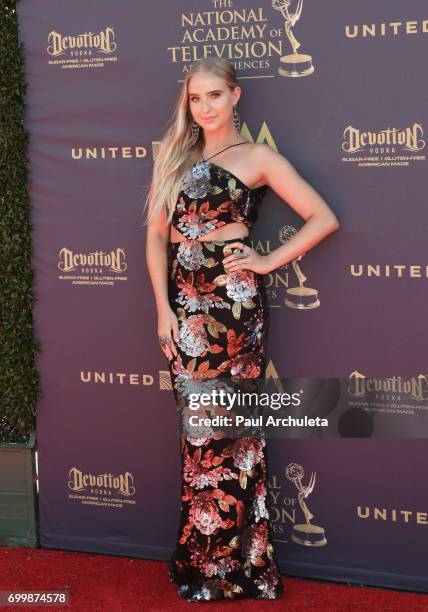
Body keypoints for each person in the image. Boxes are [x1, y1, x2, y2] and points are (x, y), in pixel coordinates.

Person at [144, 57, 339, 602]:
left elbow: (323, 217)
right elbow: (157, 239)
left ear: (236, 97)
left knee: (233, 436)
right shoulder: (174, 157)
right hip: (185, 309)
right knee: (198, 437)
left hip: (232, 312)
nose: (204, 107)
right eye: (195, 99)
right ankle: (203, 563)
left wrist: (267, 259)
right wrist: (163, 308)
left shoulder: (257, 157)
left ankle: (242, 568)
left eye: (214, 96)